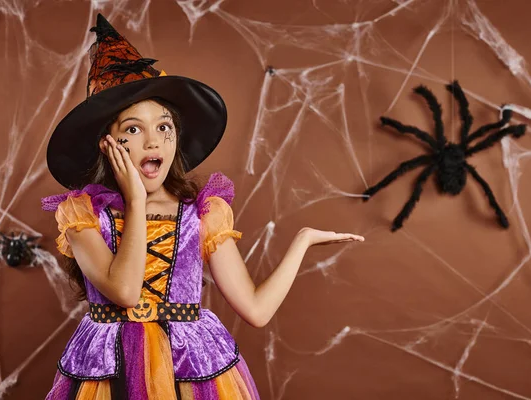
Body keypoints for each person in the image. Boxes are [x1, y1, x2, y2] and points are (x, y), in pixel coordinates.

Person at [41, 14, 364, 400]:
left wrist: (302, 241)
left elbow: (257, 312)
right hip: (109, 373)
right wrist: (136, 200)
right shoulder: (83, 215)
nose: (153, 141)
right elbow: (125, 292)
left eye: (164, 127)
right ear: (106, 144)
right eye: (132, 129)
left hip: (190, 369)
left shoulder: (203, 214)